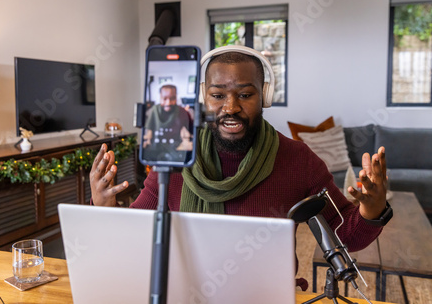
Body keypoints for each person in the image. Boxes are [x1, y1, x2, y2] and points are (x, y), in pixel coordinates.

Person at [90, 45, 392, 290]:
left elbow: (347, 238)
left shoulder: (299, 159)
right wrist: (104, 206)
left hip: (266, 295)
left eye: (245, 95)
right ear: (203, 98)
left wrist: (373, 208)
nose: (230, 107)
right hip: (188, 294)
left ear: (265, 96)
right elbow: (138, 233)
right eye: (218, 95)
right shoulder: (175, 157)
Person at [143, 84, 193, 162]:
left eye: (172, 98)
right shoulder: (153, 111)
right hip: (156, 155)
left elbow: (191, 134)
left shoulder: (183, 112)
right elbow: (148, 133)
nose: (168, 102)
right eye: (164, 98)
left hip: (177, 155)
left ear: (176, 97)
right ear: (160, 97)